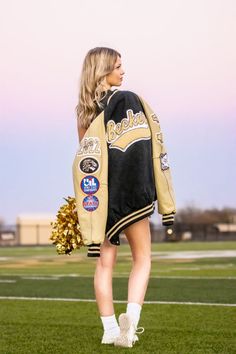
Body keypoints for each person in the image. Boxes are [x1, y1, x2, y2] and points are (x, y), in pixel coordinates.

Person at [74, 47, 176, 348]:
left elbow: (87, 157)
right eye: (117, 66)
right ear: (103, 70)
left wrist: (89, 201)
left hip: (103, 200)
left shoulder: (83, 111)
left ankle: (108, 329)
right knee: (142, 258)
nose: (123, 71)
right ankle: (129, 323)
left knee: (105, 264)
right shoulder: (129, 102)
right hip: (132, 197)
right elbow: (143, 150)